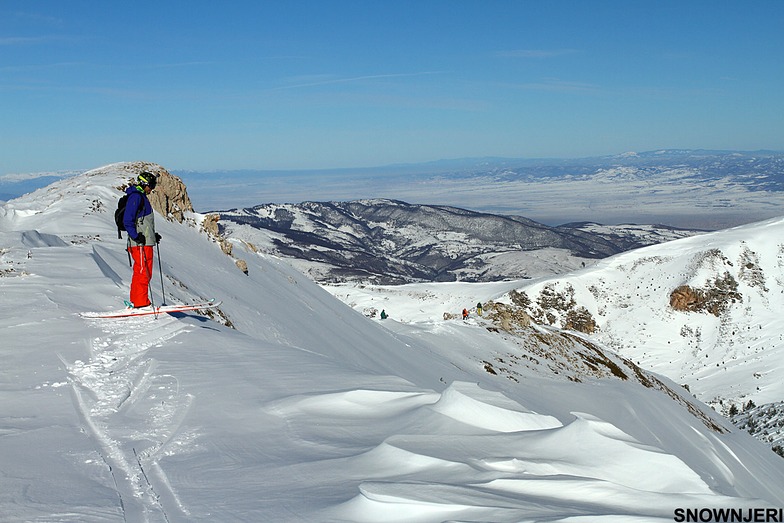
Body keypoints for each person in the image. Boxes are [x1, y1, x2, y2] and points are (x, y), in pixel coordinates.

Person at [123, 172, 160, 308]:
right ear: (144, 184)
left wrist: (152, 235)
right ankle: (140, 303)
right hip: (139, 244)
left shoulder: (141, 197)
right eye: (151, 185)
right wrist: (136, 236)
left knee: (144, 271)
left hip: (145, 242)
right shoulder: (136, 197)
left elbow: (143, 222)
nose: (152, 188)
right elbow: (128, 220)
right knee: (143, 272)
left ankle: (137, 300)